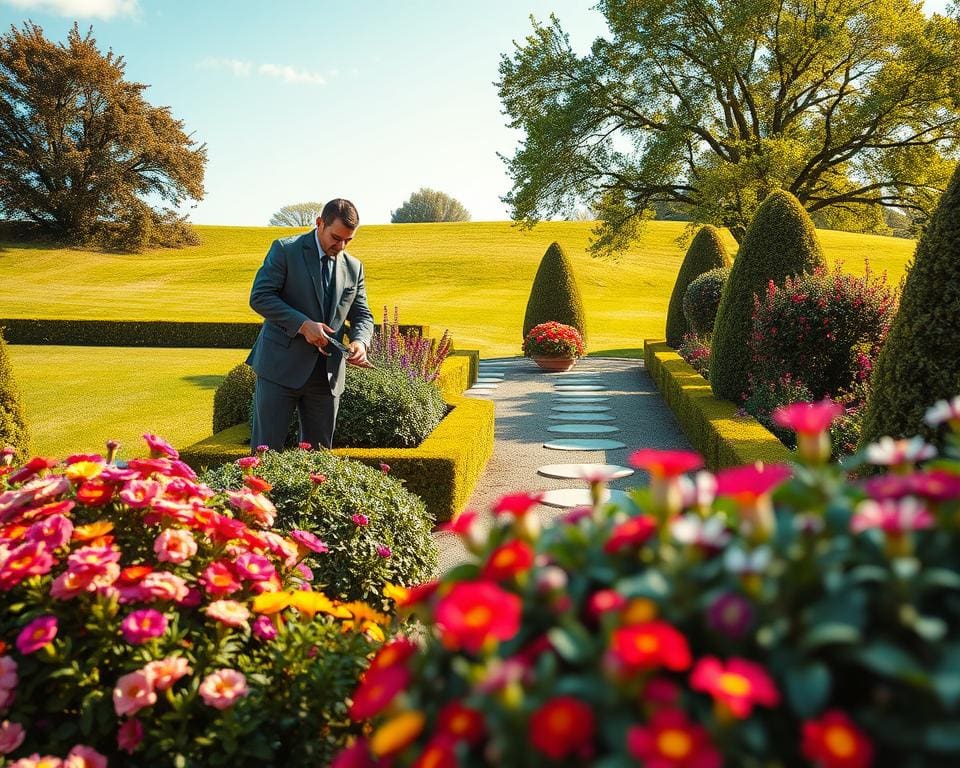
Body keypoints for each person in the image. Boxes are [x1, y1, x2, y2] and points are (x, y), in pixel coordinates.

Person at [246, 198, 374, 450]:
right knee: (265, 453)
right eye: (336, 238)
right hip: (279, 369)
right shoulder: (285, 250)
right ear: (319, 223)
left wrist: (360, 341)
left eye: (348, 240)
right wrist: (303, 324)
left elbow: (362, 314)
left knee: (319, 460)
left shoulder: (354, 267)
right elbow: (260, 297)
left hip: (327, 376)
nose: (341, 246)